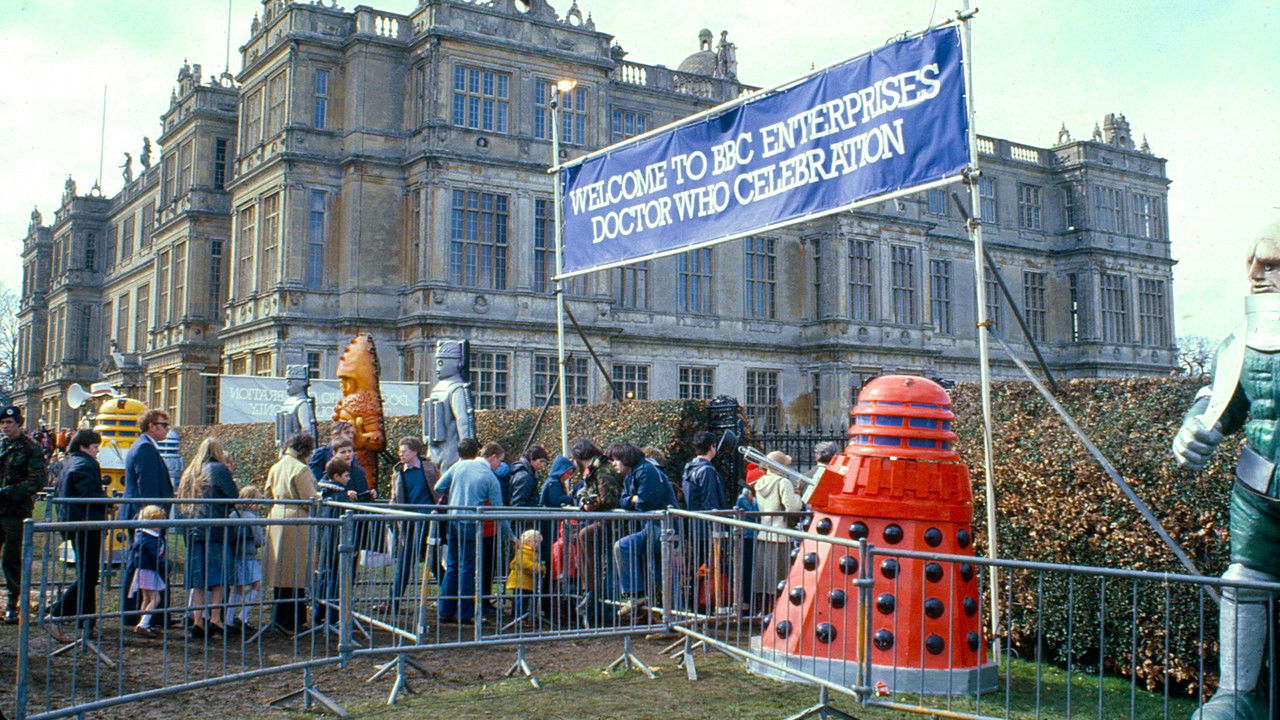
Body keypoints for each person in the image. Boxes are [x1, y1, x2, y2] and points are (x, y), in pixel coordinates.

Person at [1171, 235, 1280, 720]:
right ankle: (1234, 694)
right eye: (1255, 263)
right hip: (1259, 487)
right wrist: (1192, 428)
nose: (1258, 275)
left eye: (1274, 265)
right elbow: (1220, 400)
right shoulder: (1240, 340)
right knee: (1243, 581)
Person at [46, 429, 106, 642]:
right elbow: (88, 493)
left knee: (87, 574)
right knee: (88, 575)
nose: (97, 451)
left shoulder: (70, 462)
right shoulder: (84, 464)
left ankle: (87, 623)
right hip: (86, 524)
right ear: (84, 446)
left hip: (75, 523)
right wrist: (105, 501)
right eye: (95, 446)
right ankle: (56, 613)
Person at [433, 438, 502, 625]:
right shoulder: (489, 477)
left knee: (453, 565)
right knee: (467, 569)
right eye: (500, 461)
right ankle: (466, 614)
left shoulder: (458, 466)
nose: (500, 465)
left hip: (453, 521)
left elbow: (438, 487)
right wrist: (510, 535)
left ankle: (445, 610)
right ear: (493, 458)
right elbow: (498, 508)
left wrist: (455, 493)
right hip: (471, 523)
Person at [176, 437, 238, 637]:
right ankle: (215, 618)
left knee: (198, 578)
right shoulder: (218, 469)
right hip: (214, 527)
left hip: (193, 527)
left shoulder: (189, 472)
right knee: (219, 575)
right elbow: (232, 494)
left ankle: (197, 620)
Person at [609, 443, 677, 618]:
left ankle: (672, 618)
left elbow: (646, 502)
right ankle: (638, 596)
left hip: (663, 527)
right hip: (652, 527)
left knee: (663, 573)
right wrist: (634, 499)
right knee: (624, 548)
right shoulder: (633, 474)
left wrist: (633, 501)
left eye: (615, 460)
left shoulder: (646, 470)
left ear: (624, 458)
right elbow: (623, 501)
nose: (613, 464)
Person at [263, 432, 319, 633]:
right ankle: (291, 620)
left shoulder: (277, 466)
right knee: (295, 572)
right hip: (296, 522)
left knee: (281, 572)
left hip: (277, 516)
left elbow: (268, 491)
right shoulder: (301, 468)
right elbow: (309, 497)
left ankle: (280, 616)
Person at [0, 404, 47, 623]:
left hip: (15, 511)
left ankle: (12, 602)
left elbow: (37, 481)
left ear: (18, 424)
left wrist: (7, 492)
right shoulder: (1, 445)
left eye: (9, 423)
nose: (5, 427)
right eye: (2, 423)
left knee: (11, 558)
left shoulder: (30, 448)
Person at [568, 438, 620, 624]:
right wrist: (585, 501)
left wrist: (589, 505)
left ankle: (598, 600)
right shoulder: (595, 469)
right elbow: (584, 493)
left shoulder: (603, 469)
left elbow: (608, 499)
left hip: (613, 524)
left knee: (611, 567)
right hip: (605, 523)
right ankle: (591, 591)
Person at [390, 436, 439, 610]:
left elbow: (439, 491)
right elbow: (395, 498)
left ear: (415, 452)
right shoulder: (398, 472)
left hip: (428, 521)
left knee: (429, 561)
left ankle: (393, 601)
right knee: (410, 560)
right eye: (400, 451)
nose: (400, 454)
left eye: (404, 451)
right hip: (409, 523)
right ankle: (393, 601)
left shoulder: (429, 469)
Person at [753, 451, 803, 600]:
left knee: (765, 577)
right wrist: (798, 496)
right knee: (780, 576)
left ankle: (764, 609)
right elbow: (792, 507)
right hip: (781, 534)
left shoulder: (760, 482)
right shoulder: (783, 482)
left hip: (764, 532)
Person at [422, 339, 476, 472]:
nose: (437, 367)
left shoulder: (456, 388)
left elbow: (463, 421)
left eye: (441, 362)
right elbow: (464, 421)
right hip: (439, 453)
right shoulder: (451, 388)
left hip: (449, 454)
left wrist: (467, 453)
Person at [539, 454, 575, 617]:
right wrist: (572, 499)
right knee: (551, 565)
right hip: (550, 529)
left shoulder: (553, 483)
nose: (569, 476)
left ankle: (550, 606)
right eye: (567, 472)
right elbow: (557, 501)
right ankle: (549, 606)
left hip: (552, 527)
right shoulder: (554, 484)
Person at [226, 485, 265, 634]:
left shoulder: (233, 515)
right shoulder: (252, 517)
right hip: (248, 555)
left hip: (235, 554)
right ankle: (242, 617)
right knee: (256, 584)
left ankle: (230, 618)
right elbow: (260, 539)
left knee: (237, 587)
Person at [122, 409, 173, 521]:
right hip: (144, 515)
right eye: (164, 425)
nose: (168, 428)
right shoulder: (145, 447)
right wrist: (154, 515)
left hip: (141, 512)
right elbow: (147, 485)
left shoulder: (143, 444)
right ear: (152, 426)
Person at [127, 505, 169, 638]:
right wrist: (166, 568)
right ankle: (143, 624)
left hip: (143, 570)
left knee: (147, 598)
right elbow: (154, 557)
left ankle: (144, 622)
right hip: (149, 570)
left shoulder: (142, 535)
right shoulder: (150, 539)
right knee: (156, 598)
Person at [683, 431, 726, 511]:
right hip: (707, 520)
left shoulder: (689, 468)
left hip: (695, 519)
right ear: (711, 447)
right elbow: (710, 502)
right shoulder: (707, 470)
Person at [505, 529, 543, 619]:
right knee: (520, 600)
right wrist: (538, 568)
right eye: (535, 542)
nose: (538, 544)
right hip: (520, 582)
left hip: (526, 582)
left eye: (538, 542)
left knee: (523, 599)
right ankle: (518, 616)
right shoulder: (523, 551)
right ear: (527, 542)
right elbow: (524, 563)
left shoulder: (532, 553)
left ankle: (521, 616)